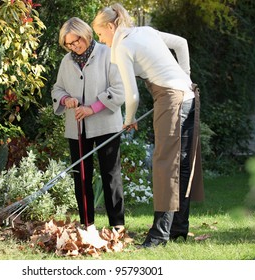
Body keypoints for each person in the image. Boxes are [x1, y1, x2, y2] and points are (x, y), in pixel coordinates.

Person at [92, 3, 204, 247]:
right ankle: (178, 228)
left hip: (171, 99)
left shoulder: (122, 46)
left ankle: (158, 235)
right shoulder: (146, 31)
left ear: (111, 26)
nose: (101, 40)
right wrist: (185, 77)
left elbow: (132, 97)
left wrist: (128, 119)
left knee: (164, 164)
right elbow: (181, 43)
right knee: (181, 164)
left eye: (101, 34)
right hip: (187, 96)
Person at [51, 17, 126, 233]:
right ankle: (87, 225)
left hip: (106, 125)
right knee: (81, 176)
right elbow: (57, 89)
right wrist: (66, 100)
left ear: (85, 35)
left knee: (110, 174)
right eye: (69, 44)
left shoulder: (107, 53)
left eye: (77, 41)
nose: (74, 47)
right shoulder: (67, 61)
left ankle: (117, 227)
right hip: (77, 128)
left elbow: (119, 89)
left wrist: (92, 108)